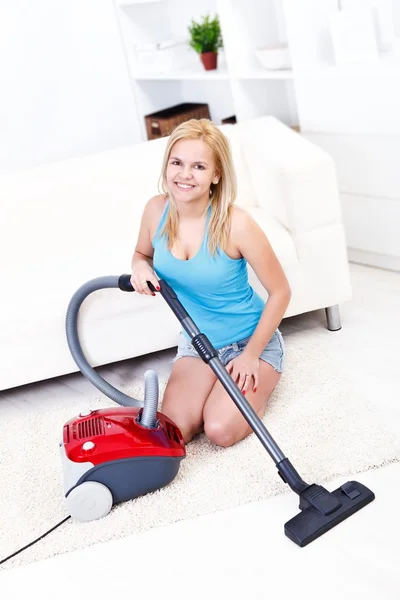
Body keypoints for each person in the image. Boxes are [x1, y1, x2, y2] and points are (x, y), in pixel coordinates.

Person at [130, 118, 291, 448]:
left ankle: (254, 394)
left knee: (218, 429)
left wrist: (251, 356)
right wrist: (139, 267)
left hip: (250, 342)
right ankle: (217, 394)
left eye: (199, 166)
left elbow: (281, 292)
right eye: (177, 163)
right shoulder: (155, 210)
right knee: (173, 431)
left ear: (216, 175)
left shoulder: (237, 224)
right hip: (197, 343)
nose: (184, 175)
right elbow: (140, 253)